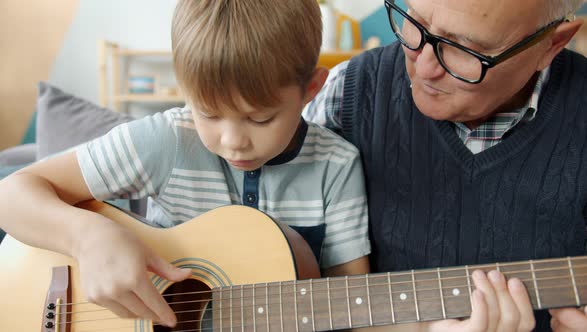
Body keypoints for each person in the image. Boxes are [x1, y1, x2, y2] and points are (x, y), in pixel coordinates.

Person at [0, 0, 371, 328]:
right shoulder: (168, 140)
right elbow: (11, 194)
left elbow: (354, 305)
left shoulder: (337, 167)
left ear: (312, 89)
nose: (232, 141)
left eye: (260, 119)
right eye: (209, 114)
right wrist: (86, 237)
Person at [304, 0, 587, 331]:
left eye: (463, 49)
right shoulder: (344, 97)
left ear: (551, 44)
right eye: (416, 22)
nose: (424, 68)